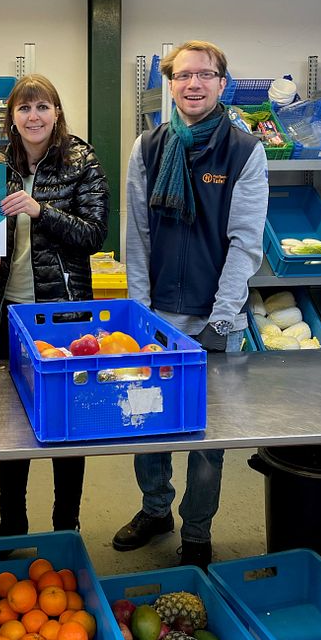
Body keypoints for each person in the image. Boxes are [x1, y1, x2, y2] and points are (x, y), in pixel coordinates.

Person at [112, 40, 268, 570]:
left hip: (212, 314)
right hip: (156, 312)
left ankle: (197, 531)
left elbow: (245, 242)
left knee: (206, 438)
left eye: (206, 74)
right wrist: (139, 310)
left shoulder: (244, 150)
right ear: (170, 83)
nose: (193, 84)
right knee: (147, 420)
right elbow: (137, 234)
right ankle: (155, 509)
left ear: (223, 83)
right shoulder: (148, 147)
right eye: (182, 75)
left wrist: (223, 317)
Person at [0, 74, 109, 536]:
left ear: (56, 112)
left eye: (42, 107)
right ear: (11, 117)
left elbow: (94, 235)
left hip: (63, 314)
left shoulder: (81, 160)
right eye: (24, 108)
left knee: (67, 418)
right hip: (8, 311)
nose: (34, 117)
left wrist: (40, 210)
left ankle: (65, 524)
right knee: (11, 421)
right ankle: (11, 520)